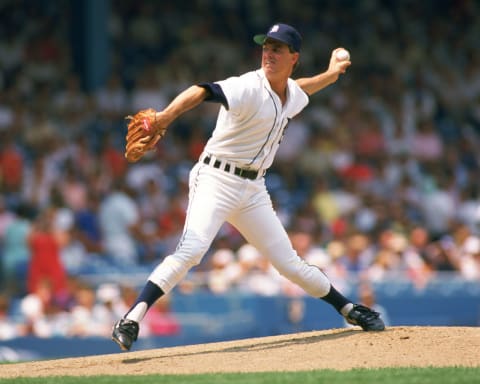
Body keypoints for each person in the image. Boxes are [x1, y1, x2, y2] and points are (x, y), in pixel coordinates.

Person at [112, 23, 385, 351]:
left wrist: (332, 72)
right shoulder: (247, 86)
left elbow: (304, 87)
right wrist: (166, 117)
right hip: (215, 178)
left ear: (293, 57)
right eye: (266, 47)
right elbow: (202, 90)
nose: (269, 53)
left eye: (277, 49)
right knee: (193, 250)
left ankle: (349, 309)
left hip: (253, 189)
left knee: (289, 263)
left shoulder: (291, 95)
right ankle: (131, 318)